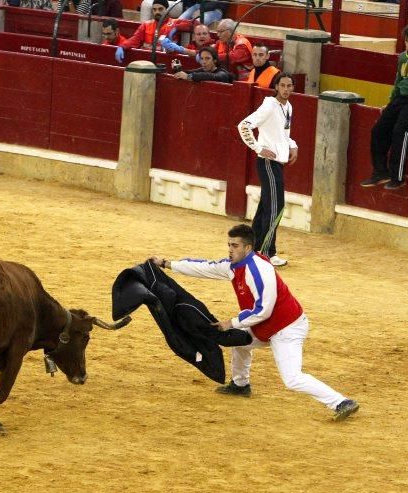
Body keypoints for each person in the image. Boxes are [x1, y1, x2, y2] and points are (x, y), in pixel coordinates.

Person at [149, 224, 360, 422]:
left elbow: (263, 309)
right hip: (265, 325)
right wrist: (167, 264)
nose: (230, 250)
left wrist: (231, 322)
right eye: (229, 245)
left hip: (287, 328)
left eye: (235, 246)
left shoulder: (259, 270)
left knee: (292, 378)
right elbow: (205, 267)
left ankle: (341, 402)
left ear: (248, 247)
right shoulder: (234, 265)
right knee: (239, 342)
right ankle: (240, 385)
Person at [360, 24, 408, 190]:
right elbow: (398, 82)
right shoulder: (403, 57)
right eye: (407, 41)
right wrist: (390, 103)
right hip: (400, 99)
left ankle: (398, 177)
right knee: (378, 130)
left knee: (400, 131)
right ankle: (381, 172)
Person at [237, 72, 298, 267]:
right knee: (275, 207)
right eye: (283, 86)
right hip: (267, 163)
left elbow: (283, 134)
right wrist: (257, 147)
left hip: (276, 164)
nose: (286, 89)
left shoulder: (288, 106)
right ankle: (267, 252)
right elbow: (244, 125)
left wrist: (293, 145)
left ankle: (252, 250)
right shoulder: (270, 105)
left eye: (290, 86)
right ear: (276, 87)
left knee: (266, 208)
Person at [115, 0, 188, 63]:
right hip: (146, 60)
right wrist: (122, 46)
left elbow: (194, 24)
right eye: (154, 9)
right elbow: (134, 40)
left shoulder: (175, 23)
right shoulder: (146, 25)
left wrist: (177, 28)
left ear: (167, 9)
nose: (157, 12)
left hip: (167, 61)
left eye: (160, 9)